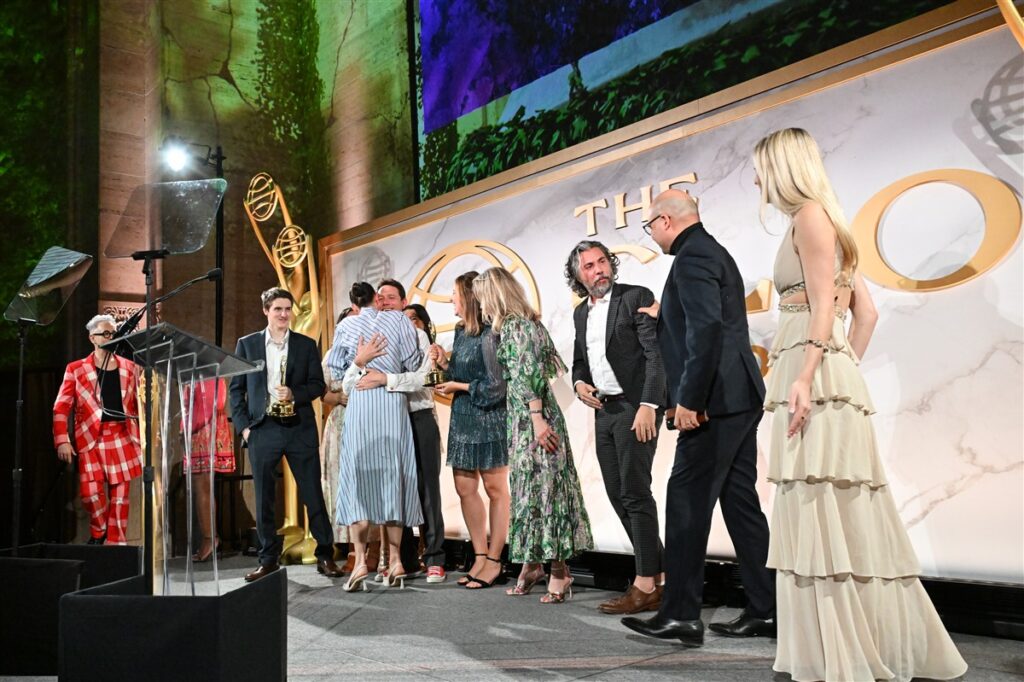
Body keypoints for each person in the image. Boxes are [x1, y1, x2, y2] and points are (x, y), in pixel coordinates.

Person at [753, 127, 967, 681]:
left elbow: (826, 305)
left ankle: (838, 653)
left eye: (760, 169)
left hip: (810, 378)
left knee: (819, 511)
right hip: (825, 378)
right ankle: (843, 648)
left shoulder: (810, 217)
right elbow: (865, 315)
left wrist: (810, 375)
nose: (756, 181)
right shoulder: (826, 218)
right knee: (836, 515)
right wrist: (838, 371)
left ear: (781, 168)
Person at [621, 189, 775, 647]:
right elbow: (702, 324)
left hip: (715, 402)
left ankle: (681, 616)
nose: (651, 234)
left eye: (649, 226)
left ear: (666, 221)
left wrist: (689, 399)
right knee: (740, 504)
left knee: (686, 502)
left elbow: (706, 329)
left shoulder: (692, 258)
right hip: (736, 397)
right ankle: (768, 609)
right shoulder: (709, 252)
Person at [472, 267, 592, 604]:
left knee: (545, 491)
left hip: (533, 419)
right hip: (526, 416)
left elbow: (530, 374)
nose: (481, 306)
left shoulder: (515, 326)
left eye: (482, 298)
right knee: (529, 491)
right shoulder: (529, 324)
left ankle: (559, 572)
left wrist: (537, 418)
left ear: (494, 296)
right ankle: (532, 565)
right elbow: (552, 366)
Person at [566, 241, 667, 614]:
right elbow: (580, 360)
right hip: (604, 411)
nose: (599, 270)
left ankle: (645, 584)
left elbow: (656, 354)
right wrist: (579, 384)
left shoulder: (634, 297)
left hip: (634, 407)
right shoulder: (580, 313)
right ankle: (661, 575)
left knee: (636, 494)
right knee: (617, 494)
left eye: (602, 262)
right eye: (589, 266)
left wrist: (649, 405)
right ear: (578, 276)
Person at [228, 287, 344, 582]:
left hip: (299, 428)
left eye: (287, 309)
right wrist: (245, 428)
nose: (283, 314)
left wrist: (293, 393)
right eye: (277, 309)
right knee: (264, 497)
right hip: (262, 429)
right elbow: (236, 390)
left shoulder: (306, 345)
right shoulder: (247, 345)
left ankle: (325, 555)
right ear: (265, 311)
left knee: (312, 493)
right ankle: (268, 560)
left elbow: (317, 385)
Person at [345, 280, 447, 584]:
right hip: (387, 420)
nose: (386, 302)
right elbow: (350, 380)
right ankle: (400, 560)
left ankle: (435, 558)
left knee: (427, 490)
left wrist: (385, 379)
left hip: (417, 415)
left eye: (392, 297)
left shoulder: (416, 334)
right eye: (382, 297)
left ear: (403, 302)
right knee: (393, 489)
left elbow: (422, 378)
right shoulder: (369, 335)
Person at [327, 281, 423, 591]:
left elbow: (336, 373)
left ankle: (359, 561)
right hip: (391, 405)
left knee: (357, 481)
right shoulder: (400, 321)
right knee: (392, 477)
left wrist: (360, 362)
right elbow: (414, 363)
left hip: (360, 406)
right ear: (377, 299)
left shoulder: (346, 325)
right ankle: (395, 561)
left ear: (355, 304)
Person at [428, 271, 509, 589]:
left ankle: (495, 560)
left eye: (454, 293)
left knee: (495, 489)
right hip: (462, 419)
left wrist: (459, 386)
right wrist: (443, 364)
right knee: (465, 488)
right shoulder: (461, 331)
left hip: (489, 419)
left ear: (469, 297)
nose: (451, 299)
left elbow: (496, 386)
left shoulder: (491, 332)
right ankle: (479, 556)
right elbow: (459, 374)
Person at [53, 314, 143, 545]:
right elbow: (61, 407)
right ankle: (100, 531)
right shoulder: (76, 369)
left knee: (120, 499)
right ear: (92, 338)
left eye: (112, 333)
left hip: (122, 435)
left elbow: (140, 404)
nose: (110, 337)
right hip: (91, 438)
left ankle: (116, 545)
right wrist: (62, 440)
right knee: (90, 494)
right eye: (104, 333)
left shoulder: (130, 368)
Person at [183, 377, 234, 562]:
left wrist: (190, 426)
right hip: (200, 428)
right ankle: (209, 537)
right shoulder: (197, 372)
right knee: (202, 486)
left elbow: (214, 403)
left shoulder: (209, 372)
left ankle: (209, 539)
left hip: (205, 429)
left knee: (202, 486)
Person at [320, 307, 354, 547]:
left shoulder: (374, 351)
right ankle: (349, 546)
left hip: (368, 420)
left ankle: (376, 548)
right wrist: (338, 397)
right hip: (340, 423)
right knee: (341, 482)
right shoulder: (332, 356)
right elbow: (321, 392)